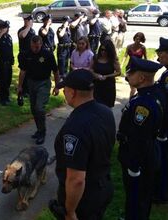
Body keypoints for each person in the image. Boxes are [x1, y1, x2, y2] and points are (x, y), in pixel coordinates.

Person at [50, 69, 116, 220]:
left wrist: (70, 211)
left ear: (72, 92)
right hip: (103, 185)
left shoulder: (75, 127)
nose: (64, 93)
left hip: (84, 199)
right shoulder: (105, 111)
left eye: (64, 89)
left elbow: (76, 179)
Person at [117, 56, 165, 220]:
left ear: (142, 78)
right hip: (150, 153)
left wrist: (133, 167)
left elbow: (139, 139)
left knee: (137, 196)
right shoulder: (154, 92)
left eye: (131, 72)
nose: (127, 75)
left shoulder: (142, 105)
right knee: (142, 196)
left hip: (140, 159)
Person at [17, 35, 59, 145]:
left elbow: (55, 71)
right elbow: (23, 71)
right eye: (33, 46)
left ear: (41, 44)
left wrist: (57, 86)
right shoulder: (27, 54)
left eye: (37, 47)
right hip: (31, 83)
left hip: (44, 83)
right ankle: (39, 129)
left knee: (39, 107)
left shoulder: (47, 54)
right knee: (33, 108)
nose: (35, 49)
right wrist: (20, 86)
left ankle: (42, 132)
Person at [153, 37, 168, 204]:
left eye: (161, 54)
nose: (159, 57)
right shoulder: (165, 73)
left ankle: (162, 193)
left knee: (164, 159)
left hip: (165, 125)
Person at [91, 40, 121, 108]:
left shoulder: (113, 59)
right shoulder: (95, 58)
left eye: (105, 50)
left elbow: (118, 72)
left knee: (107, 107)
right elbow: (90, 69)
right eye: (102, 50)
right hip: (96, 86)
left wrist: (106, 76)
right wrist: (96, 75)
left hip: (108, 87)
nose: (103, 52)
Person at [0, 19, 14, 106]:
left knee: (8, 81)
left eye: (8, 28)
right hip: (1, 63)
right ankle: (2, 98)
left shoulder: (8, 37)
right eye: (6, 28)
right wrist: (1, 32)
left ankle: (7, 96)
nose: (8, 29)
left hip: (8, 63)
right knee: (2, 82)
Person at [122, 32, 147, 97]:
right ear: (134, 38)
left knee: (135, 86)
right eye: (137, 39)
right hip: (130, 67)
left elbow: (145, 59)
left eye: (140, 39)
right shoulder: (129, 47)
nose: (138, 41)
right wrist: (121, 64)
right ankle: (132, 99)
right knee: (132, 86)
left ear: (142, 40)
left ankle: (132, 99)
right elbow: (125, 56)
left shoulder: (143, 48)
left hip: (138, 68)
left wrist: (145, 67)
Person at [18, 14, 36, 96]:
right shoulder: (22, 30)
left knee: (30, 72)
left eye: (30, 20)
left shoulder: (32, 31)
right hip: (23, 54)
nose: (30, 22)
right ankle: (21, 88)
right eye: (28, 21)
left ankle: (28, 89)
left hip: (31, 54)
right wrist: (28, 27)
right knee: (23, 72)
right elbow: (22, 35)